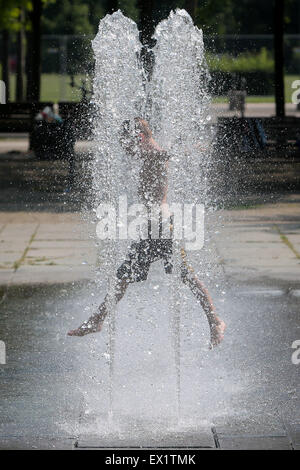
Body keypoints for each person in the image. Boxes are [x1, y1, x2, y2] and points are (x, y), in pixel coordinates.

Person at [68, 118, 226, 347]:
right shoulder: (150, 152)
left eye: (126, 144)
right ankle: (97, 320)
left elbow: (162, 156)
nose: (125, 149)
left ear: (138, 137)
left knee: (184, 276)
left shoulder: (154, 153)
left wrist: (175, 152)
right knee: (128, 276)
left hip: (163, 228)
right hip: (153, 229)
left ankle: (215, 321)